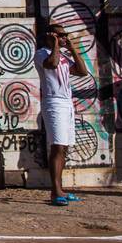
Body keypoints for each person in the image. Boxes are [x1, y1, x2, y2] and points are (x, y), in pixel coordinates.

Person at [34, 24, 89, 206]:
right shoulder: (42, 53)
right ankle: (55, 191)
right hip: (53, 102)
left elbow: (82, 71)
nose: (65, 37)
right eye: (61, 35)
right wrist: (56, 44)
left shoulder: (64, 56)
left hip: (67, 103)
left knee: (64, 147)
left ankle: (61, 189)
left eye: (65, 35)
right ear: (51, 36)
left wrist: (72, 48)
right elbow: (52, 64)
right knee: (57, 146)